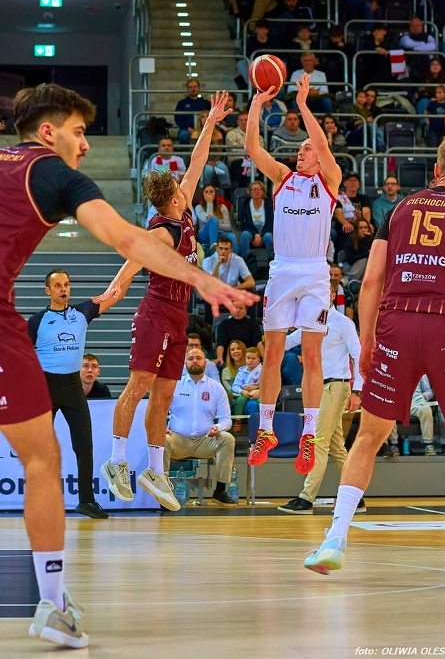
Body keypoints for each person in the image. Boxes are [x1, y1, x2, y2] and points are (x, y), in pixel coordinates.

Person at [0, 83, 255, 649]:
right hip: (119, 312)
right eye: (78, 131)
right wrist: (203, 279)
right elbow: (125, 240)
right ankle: (53, 603)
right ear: (48, 132)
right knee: (43, 460)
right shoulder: (55, 174)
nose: (86, 144)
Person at [305, 136, 445, 575]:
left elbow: (372, 280)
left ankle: (334, 539)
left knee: (368, 437)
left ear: (437, 170)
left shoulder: (399, 209)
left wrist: (368, 339)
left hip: (396, 323)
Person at [97, 92, 256, 512]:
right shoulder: (162, 232)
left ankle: (154, 470)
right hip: (155, 311)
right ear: (173, 201)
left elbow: (198, 162)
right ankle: (115, 461)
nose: (189, 189)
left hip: (178, 315)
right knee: (138, 387)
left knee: (163, 397)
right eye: (181, 191)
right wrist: (111, 293)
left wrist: (210, 123)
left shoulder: (182, 212)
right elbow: (131, 262)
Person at [245, 73, 341, 475]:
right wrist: (256, 103)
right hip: (283, 269)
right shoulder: (283, 178)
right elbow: (252, 148)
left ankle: (310, 434)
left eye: (306, 148)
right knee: (272, 351)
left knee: (311, 355)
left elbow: (321, 143)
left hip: (315, 272)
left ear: (319, 155)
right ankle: (265, 430)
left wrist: (302, 105)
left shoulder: (330, 180)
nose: (300, 152)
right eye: (299, 149)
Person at [28, 268, 126, 520]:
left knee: (84, 446)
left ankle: (86, 501)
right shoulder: (37, 321)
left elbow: (115, 295)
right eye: (57, 285)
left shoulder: (82, 312)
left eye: (66, 285)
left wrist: (130, 270)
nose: (63, 289)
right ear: (48, 290)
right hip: (45, 387)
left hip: (73, 386)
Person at [278, 284, 364, 513]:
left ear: (333, 296)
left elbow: (358, 355)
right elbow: (286, 342)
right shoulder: (310, 323)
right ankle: (356, 497)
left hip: (336, 386)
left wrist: (357, 391)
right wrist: (276, 326)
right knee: (336, 446)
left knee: (318, 441)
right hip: (317, 388)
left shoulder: (343, 323)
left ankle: (306, 498)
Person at [165, 347, 237, 507]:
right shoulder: (174, 385)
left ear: (206, 362)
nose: (195, 361)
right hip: (178, 440)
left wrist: (217, 427)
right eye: (191, 359)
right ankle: (163, 493)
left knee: (227, 438)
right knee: (161, 439)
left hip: (206, 440)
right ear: (185, 363)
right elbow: (159, 412)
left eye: (198, 358)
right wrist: (163, 427)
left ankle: (220, 491)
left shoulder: (217, 388)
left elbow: (226, 420)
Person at [190, 111, 231, 191]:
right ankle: (204, 190)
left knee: (223, 168)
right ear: (200, 120)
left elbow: (219, 152)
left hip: (215, 161)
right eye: (203, 117)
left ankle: (226, 192)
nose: (206, 119)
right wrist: (206, 162)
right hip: (201, 162)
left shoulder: (218, 134)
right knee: (208, 170)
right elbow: (193, 152)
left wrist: (214, 162)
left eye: (208, 116)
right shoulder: (195, 134)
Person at [225, 111, 265, 189]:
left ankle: (260, 190)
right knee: (241, 166)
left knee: (263, 167)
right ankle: (242, 191)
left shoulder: (257, 135)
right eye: (241, 120)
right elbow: (234, 150)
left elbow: (261, 149)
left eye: (246, 120)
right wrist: (250, 152)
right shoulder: (231, 134)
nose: (243, 122)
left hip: (255, 160)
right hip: (237, 160)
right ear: (237, 122)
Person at [195, 185, 237, 250]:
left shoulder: (223, 207)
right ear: (203, 194)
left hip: (219, 234)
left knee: (232, 236)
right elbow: (207, 220)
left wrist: (216, 224)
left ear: (215, 194)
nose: (209, 194)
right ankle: (213, 246)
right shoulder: (198, 207)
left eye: (211, 192)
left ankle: (235, 256)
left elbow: (228, 227)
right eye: (206, 192)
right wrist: (209, 203)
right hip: (204, 235)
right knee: (213, 219)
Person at [239, 180, 274, 259]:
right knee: (245, 235)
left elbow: (271, 223)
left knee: (268, 236)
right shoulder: (244, 204)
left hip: (266, 231)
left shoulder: (269, 204)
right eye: (254, 189)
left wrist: (261, 236)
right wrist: (256, 235)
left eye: (258, 189)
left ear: (263, 192)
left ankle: (271, 260)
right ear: (250, 192)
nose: (256, 191)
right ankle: (245, 260)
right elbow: (244, 224)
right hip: (251, 232)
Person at [174, 78, 211, 145]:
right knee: (183, 136)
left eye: (195, 86)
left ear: (199, 88)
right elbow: (178, 119)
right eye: (190, 87)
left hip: (204, 129)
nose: (193, 89)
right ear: (187, 89)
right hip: (186, 130)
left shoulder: (206, 103)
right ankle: (186, 152)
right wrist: (189, 129)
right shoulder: (181, 103)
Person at [231, 346, 262, 416]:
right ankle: (237, 419)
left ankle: (256, 420)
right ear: (245, 359)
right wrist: (242, 391)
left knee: (258, 402)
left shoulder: (262, 371)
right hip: (245, 393)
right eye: (248, 358)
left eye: (253, 358)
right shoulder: (241, 372)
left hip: (258, 393)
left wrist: (256, 387)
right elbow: (235, 386)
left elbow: (266, 385)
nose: (250, 360)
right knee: (239, 400)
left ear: (258, 360)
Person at [410, 376, 437, 455]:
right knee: (387, 412)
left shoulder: (421, 373)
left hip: (417, 402)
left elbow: (429, 392)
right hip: (399, 404)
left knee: (426, 409)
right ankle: (393, 445)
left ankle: (428, 445)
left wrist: (423, 396)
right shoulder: (394, 371)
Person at [342, 219, 374, 284]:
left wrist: (366, 240)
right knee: (365, 260)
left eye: (366, 227)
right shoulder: (350, 239)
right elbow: (350, 259)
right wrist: (366, 253)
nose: (363, 230)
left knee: (367, 262)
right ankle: (349, 280)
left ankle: (352, 282)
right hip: (349, 264)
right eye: (360, 228)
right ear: (356, 229)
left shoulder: (370, 239)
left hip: (363, 266)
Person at [221, 340, 247, 404]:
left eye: (238, 348)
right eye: (232, 349)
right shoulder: (226, 371)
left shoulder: (253, 367)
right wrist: (245, 393)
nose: (235, 351)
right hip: (236, 399)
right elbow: (231, 391)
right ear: (230, 353)